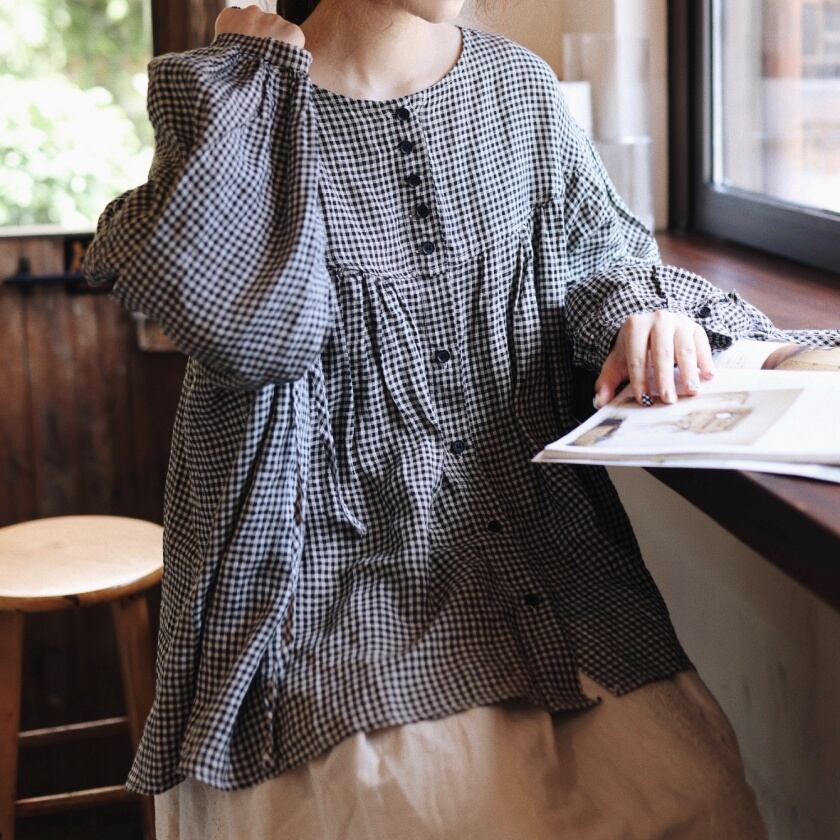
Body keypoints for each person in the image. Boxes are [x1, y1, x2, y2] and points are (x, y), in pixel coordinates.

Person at [81, 1, 840, 837]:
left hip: (556, 567)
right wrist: (250, 78)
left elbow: (600, 258)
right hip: (329, 595)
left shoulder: (519, 90)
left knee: (699, 793)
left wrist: (642, 315)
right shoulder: (246, 100)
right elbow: (251, 330)